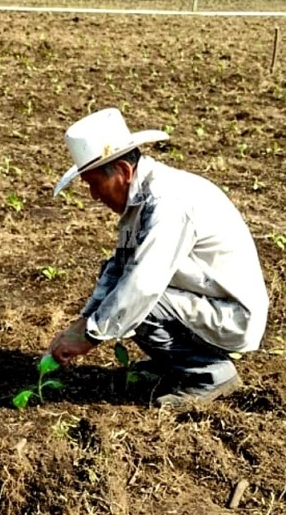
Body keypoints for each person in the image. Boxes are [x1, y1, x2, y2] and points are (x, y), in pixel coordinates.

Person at [45, 108, 269, 407]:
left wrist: (90, 336)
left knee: (139, 301)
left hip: (231, 315)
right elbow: (118, 268)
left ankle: (209, 374)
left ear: (123, 172)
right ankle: (178, 361)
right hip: (204, 301)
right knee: (122, 290)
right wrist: (84, 322)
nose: (94, 196)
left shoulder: (167, 204)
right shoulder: (143, 198)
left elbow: (142, 284)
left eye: (94, 183)